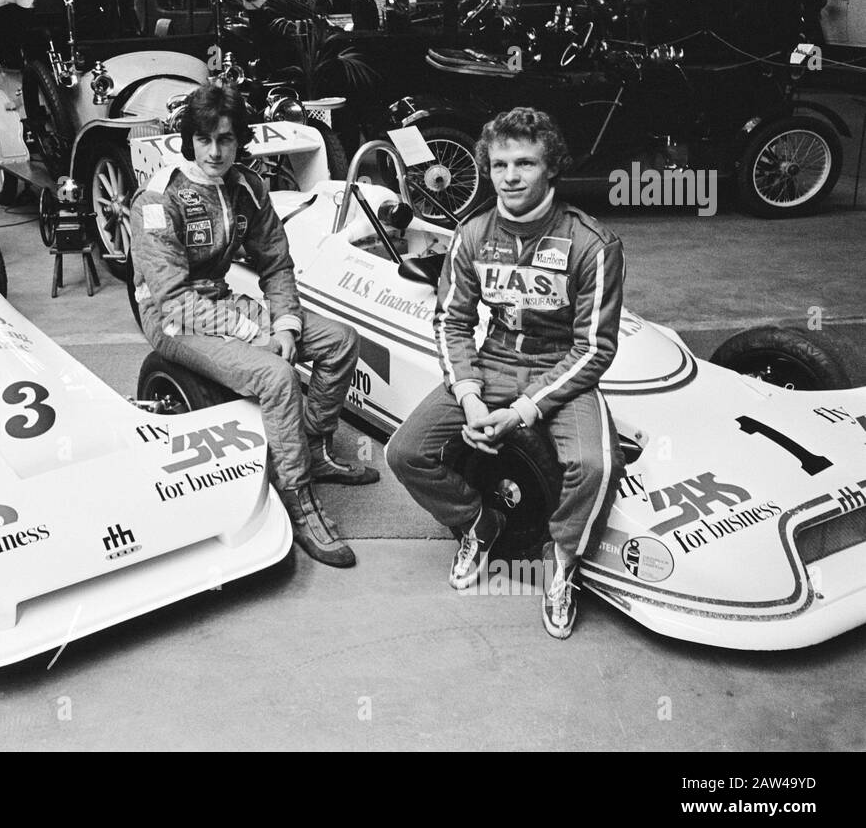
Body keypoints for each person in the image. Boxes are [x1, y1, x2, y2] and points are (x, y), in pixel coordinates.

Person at [386, 107, 625, 639]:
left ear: (551, 168)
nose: (510, 176)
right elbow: (451, 321)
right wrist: (471, 399)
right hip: (492, 362)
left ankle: (563, 560)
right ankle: (478, 522)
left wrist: (523, 411)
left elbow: (594, 349)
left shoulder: (593, 242)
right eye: (499, 165)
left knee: (595, 465)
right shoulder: (472, 234)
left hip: (559, 368)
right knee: (404, 452)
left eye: (525, 163)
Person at [130, 84, 379, 568]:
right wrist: (257, 337)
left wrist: (285, 324)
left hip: (222, 301)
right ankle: (298, 496)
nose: (216, 151)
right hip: (172, 319)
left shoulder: (245, 185)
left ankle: (313, 447)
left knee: (340, 341)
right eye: (204, 139)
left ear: (238, 140)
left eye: (225, 139)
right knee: (276, 377)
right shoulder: (159, 199)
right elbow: (175, 299)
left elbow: (278, 264)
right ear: (189, 140)